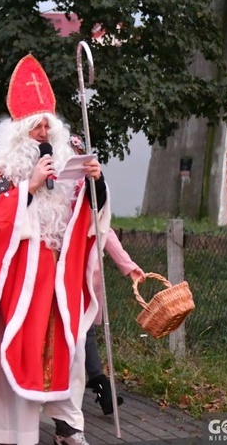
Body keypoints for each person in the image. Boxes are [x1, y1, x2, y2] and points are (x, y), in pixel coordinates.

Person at [0, 54, 109, 445]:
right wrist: (28, 188)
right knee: (20, 349)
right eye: (35, 127)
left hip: (60, 277)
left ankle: (68, 425)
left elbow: (89, 217)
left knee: (69, 351)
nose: (43, 132)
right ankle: (14, 432)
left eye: (47, 125)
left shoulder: (65, 168)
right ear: (19, 134)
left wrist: (96, 182)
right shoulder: (1, 172)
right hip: (19, 279)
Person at [68, 134, 144, 415]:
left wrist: (128, 266)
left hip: (85, 274)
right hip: (60, 270)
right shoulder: (57, 189)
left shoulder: (89, 187)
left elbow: (104, 229)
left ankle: (100, 385)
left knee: (87, 331)